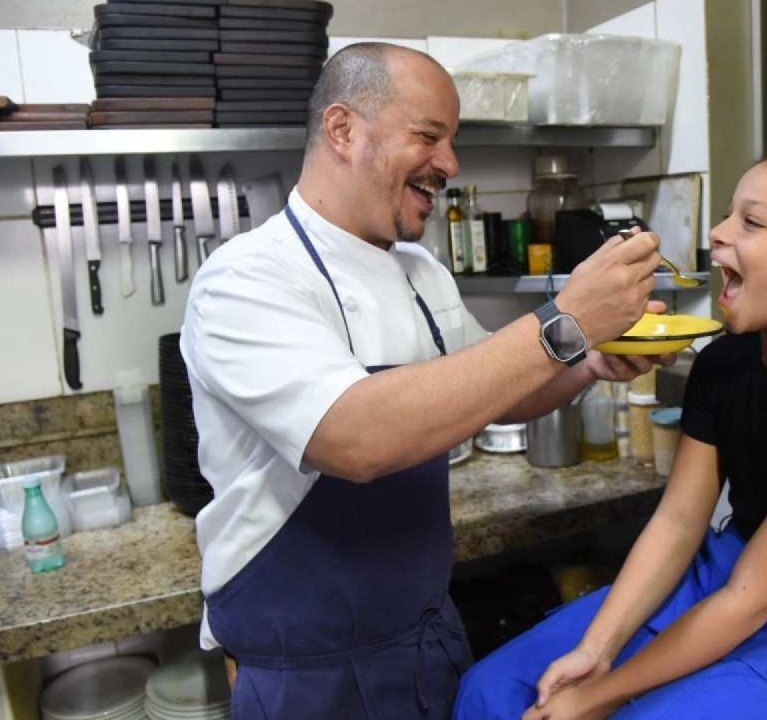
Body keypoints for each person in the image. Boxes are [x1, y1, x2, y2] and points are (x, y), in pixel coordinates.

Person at [179, 42, 674, 719]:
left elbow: (502, 389)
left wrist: (588, 359)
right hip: (310, 670)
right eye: (429, 137)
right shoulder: (248, 280)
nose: (450, 164)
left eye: (453, 141)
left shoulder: (420, 272)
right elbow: (357, 437)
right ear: (343, 130)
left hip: (425, 639)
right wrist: (566, 323)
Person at [453, 147, 767, 720]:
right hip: (722, 573)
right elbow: (677, 523)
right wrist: (596, 653)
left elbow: (748, 602)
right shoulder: (725, 364)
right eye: (725, 215)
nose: (716, 233)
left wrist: (593, 699)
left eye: (751, 220)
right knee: (489, 691)